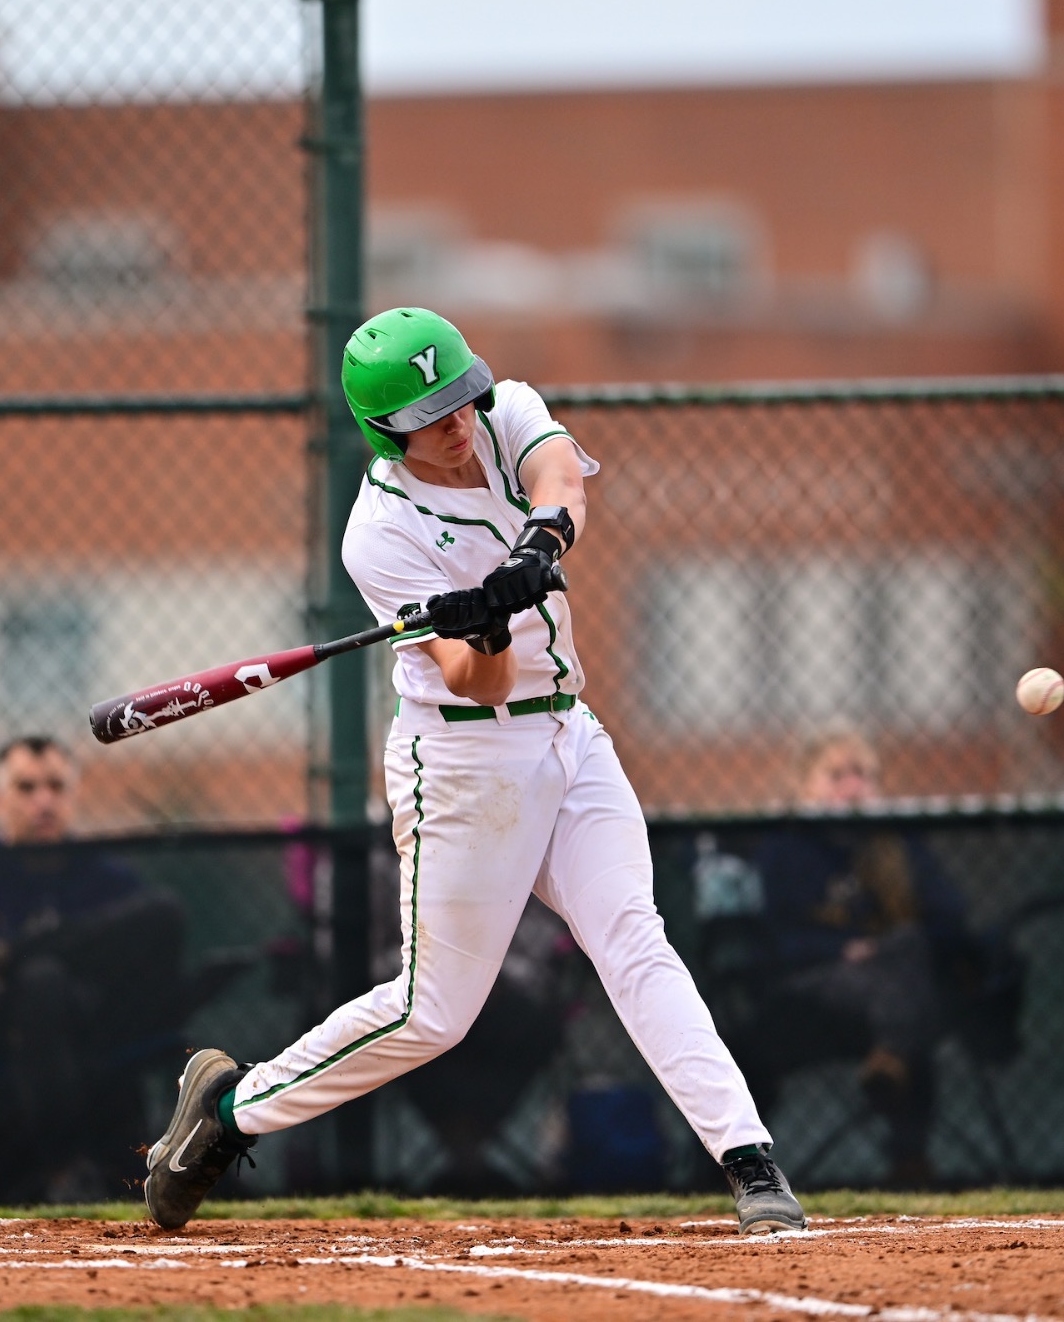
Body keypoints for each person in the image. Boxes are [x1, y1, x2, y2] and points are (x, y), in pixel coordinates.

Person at [140, 307, 802, 1233]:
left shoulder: (506, 413)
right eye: (433, 414)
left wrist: (538, 546)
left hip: (573, 737)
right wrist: (484, 624)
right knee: (433, 1013)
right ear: (385, 431)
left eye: (461, 396)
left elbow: (561, 477)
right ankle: (231, 1110)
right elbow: (473, 681)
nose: (458, 422)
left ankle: (749, 1160)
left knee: (631, 938)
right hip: (462, 760)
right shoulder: (380, 535)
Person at [0, 736, 209, 1205]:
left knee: (162, 912)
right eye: (26, 788)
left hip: (98, 1029)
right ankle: (63, 1167)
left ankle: (7, 957)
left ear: (73, 797)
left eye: (56, 787)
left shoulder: (106, 878)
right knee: (41, 980)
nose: (44, 801)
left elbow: (157, 948)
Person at [721, 729, 969, 1186]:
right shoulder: (785, 848)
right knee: (909, 999)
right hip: (815, 994)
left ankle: (896, 1087)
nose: (852, 786)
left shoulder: (897, 843)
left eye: (863, 775)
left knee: (910, 956)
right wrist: (841, 949)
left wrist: (884, 948)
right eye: (836, 775)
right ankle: (896, 1080)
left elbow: (950, 918)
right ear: (805, 786)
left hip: (894, 982)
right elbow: (773, 941)